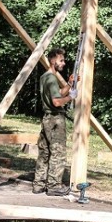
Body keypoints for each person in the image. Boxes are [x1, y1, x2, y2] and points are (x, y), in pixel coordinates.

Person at [32, 48, 77, 196]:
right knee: (58, 152)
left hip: (46, 118)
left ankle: (38, 184)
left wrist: (69, 84)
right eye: (61, 60)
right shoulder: (51, 79)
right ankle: (54, 185)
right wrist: (71, 97)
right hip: (55, 119)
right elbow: (57, 101)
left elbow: (57, 94)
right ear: (52, 61)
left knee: (44, 152)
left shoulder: (45, 77)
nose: (63, 63)